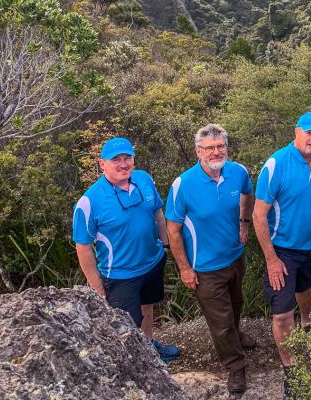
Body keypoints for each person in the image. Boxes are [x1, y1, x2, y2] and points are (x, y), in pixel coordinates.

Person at [253, 111, 311, 397]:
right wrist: (271, 260)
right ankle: (291, 370)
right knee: (281, 315)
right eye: (309, 133)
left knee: (306, 286)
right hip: (282, 249)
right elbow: (258, 215)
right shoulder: (277, 164)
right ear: (296, 132)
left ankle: (308, 324)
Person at [165, 124, 255, 395]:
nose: (216, 152)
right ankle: (235, 366)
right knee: (221, 321)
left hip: (235, 256)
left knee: (237, 304)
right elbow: (173, 229)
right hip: (204, 267)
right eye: (210, 148)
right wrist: (184, 268)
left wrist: (244, 221)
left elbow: (248, 194)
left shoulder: (237, 172)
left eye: (221, 146)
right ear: (198, 151)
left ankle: (236, 337)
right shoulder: (183, 184)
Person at [73, 137, 179, 362]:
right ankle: (133, 364)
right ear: (102, 164)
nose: (123, 164)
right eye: (116, 160)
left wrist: (168, 246)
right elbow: (83, 248)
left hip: (152, 263)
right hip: (120, 274)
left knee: (147, 308)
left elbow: (158, 214)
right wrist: (98, 288)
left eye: (127, 158)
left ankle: (149, 347)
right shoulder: (89, 201)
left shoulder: (143, 179)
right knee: (124, 325)